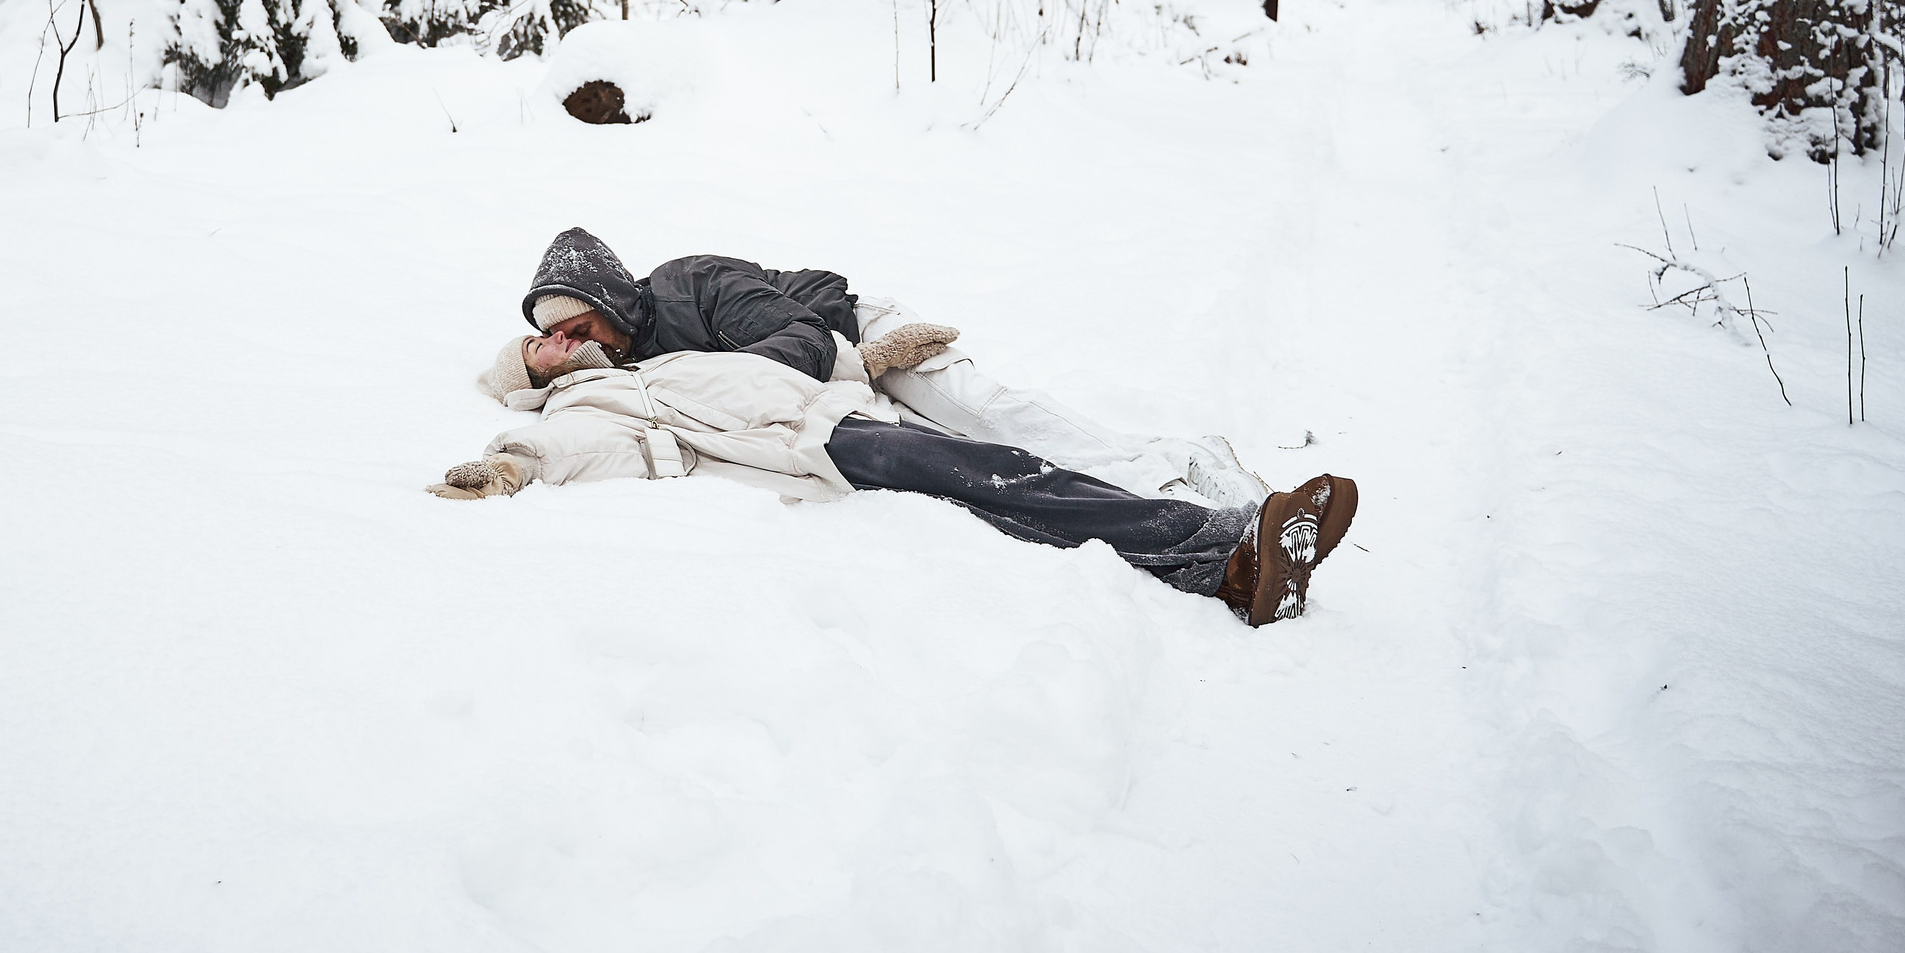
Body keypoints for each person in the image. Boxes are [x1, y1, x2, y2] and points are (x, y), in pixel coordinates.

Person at [442, 332, 1358, 627]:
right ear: (537, 379)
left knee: (1017, 495)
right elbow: (581, 454)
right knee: (1012, 478)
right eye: (542, 347)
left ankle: (1230, 571)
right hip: (825, 452)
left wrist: (866, 358)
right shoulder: (584, 409)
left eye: (559, 329)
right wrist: (508, 468)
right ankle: (1235, 539)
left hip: (847, 419)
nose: (561, 339)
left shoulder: (655, 362)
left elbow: (781, 367)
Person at [511, 228, 1269, 507]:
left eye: (581, 323)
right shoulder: (628, 362)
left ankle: (1178, 466)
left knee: (984, 413)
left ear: (607, 296)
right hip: (831, 393)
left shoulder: (691, 283)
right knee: (972, 461)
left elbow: (799, 339)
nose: (580, 341)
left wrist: (856, 363)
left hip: (866, 336)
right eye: (564, 339)